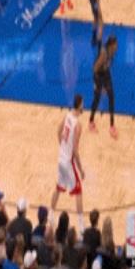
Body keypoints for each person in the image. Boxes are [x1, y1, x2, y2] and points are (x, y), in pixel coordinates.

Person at [51, 94, 86, 233]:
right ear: (80, 105)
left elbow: (58, 131)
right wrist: (81, 169)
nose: (84, 105)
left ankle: (51, 215)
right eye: (83, 103)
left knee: (59, 187)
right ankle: (81, 226)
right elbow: (75, 151)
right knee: (78, 191)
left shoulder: (67, 115)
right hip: (68, 162)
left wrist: (63, 147)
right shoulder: (78, 125)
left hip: (61, 158)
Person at [89, 37, 118, 138]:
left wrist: (106, 85)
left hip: (106, 73)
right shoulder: (103, 54)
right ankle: (91, 121)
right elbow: (95, 69)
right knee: (97, 99)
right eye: (115, 45)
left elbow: (107, 66)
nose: (116, 47)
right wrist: (98, 85)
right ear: (111, 45)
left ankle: (112, 126)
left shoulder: (112, 53)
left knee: (111, 97)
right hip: (98, 75)